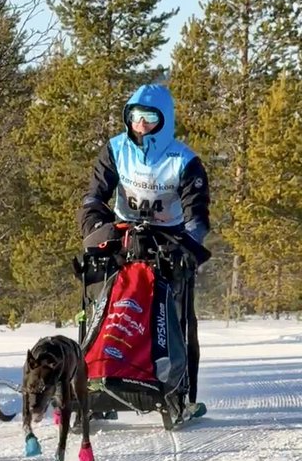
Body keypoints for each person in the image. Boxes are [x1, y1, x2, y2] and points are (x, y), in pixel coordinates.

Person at [78, 82, 211, 408]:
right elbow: (94, 197)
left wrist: (188, 247)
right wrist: (96, 229)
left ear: (163, 119)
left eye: (149, 117)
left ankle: (179, 389)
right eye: (135, 115)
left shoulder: (184, 160)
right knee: (106, 305)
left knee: (176, 316)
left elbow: (198, 217)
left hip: (168, 240)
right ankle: (93, 373)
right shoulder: (115, 150)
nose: (140, 123)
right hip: (122, 238)